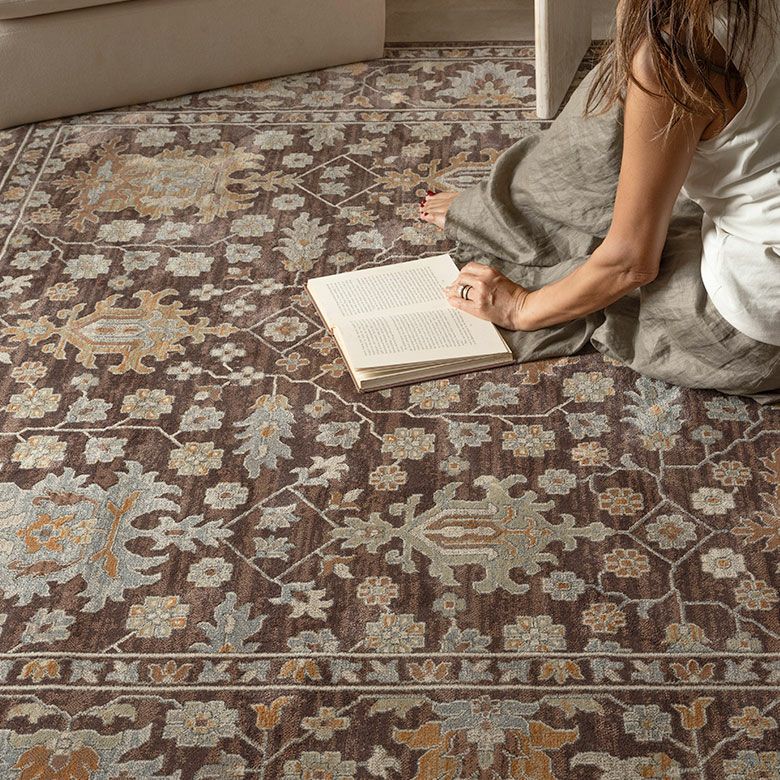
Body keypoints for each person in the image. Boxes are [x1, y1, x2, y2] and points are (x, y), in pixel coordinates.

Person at [418, 0, 779, 403]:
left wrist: (521, 307)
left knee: (615, 288)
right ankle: (524, 209)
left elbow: (631, 265)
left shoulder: (672, 53)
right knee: (629, 79)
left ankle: (521, 214)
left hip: (758, 326)